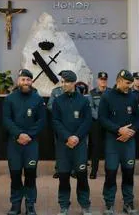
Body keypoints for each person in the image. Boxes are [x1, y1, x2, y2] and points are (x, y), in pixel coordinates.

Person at [3, 69, 46, 215]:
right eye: (23, 79)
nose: (25, 82)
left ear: (32, 81)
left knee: (30, 175)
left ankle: (30, 205)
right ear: (18, 81)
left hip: (31, 144)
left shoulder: (38, 99)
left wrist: (28, 135)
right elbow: (6, 120)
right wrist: (19, 134)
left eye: (28, 80)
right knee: (15, 175)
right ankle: (15, 205)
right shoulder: (10, 99)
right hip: (14, 144)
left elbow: (41, 121)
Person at [99, 70, 139, 215]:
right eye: (127, 83)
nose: (129, 86)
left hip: (129, 142)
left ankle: (128, 203)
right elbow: (102, 119)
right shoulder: (107, 97)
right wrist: (119, 130)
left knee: (128, 173)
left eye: (130, 84)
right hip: (113, 141)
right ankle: (109, 204)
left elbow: (138, 118)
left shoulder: (133, 97)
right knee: (110, 173)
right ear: (119, 80)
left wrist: (131, 132)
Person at [52, 70, 93, 215]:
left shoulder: (83, 101)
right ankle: (64, 205)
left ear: (74, 83)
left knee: (81, 175)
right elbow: (56, 121)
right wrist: (67, 137)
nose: (63, 84)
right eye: (62, 81)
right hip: (63, 145)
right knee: (63, 176)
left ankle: (85, 205)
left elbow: (87, 121)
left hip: (79, 144)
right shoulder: (57, 100)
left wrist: (76, 137)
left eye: (66, 82)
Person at [88, 71, 108, 179]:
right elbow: (91, 108)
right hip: (96, 123)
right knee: (95, 147)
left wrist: (106, 120)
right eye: (101, 79)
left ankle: (108, 170)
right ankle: (93, 171)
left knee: (108, 147)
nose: (103, 81)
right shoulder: (92, 93)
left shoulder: (111, 92)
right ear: (98, 80)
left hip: (108, 124)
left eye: (104, 80)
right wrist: (101, 118)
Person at [48, 83, 64, 179]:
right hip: (59, 123)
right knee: (59, 146)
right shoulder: (56, 91)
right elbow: (49, 105)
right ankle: (59, 169)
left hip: (72, 123)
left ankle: (74, 169)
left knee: (74, 146)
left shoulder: (75, 90)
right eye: (62, 80)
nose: (64, 83)